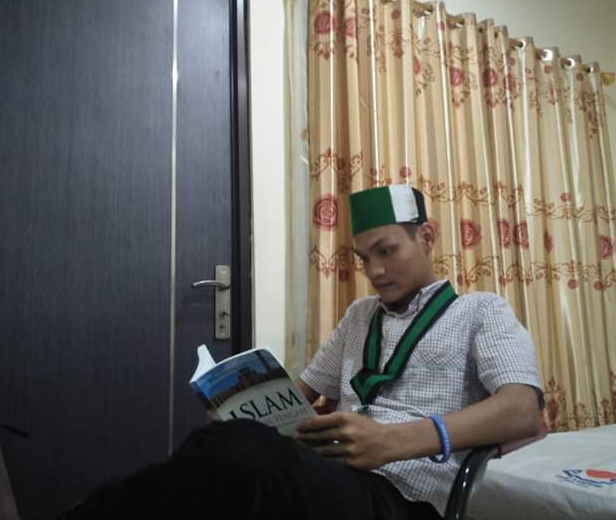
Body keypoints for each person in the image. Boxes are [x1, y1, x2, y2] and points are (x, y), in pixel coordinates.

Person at [63, 184, 542, 520]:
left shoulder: (481, 311)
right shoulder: (360, 316)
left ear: (427, 237)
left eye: (386, 251)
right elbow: (301, 391)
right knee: (225, 445)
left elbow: (523, 409)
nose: (374, 271)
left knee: (238, 456)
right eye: (364, 258)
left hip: (406, 499)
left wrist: (395, 441)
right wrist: (239, 406)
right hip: (334, 476)